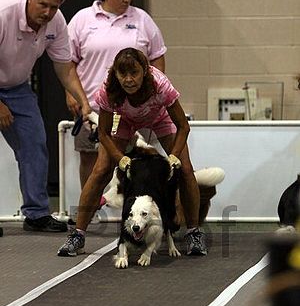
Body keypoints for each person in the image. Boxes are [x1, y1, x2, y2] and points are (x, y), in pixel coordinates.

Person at [58, 48, 207, 257]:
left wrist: (173, 155)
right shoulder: (108, 90)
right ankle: (77, 235)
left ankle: (194, 234)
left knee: (186, 170)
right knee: (101, 170)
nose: (128, 80)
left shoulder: (160, 85)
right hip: (124, 120)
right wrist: (120, 159)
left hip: (159, 118)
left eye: (134, 73)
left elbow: (183, 126)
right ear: (115, 74)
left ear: (144, 71)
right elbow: (103, 133)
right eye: (123, 74)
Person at [0, 0, 91, 232]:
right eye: (43, 5)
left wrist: (84, 101)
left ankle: (36, 214)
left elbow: (65, 67)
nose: (49, 12)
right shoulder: (3, 13)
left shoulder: (56, 22)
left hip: (17, 88)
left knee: (35, 144)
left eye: (55, 7)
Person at [65, 0, 167, 188]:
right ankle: (91, 207)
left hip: (136, 107)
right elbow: (67, 63)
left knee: (139, 158)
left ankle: (138, 208)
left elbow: (158, 57)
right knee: (92, 159)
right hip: (92, 106)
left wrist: (154, 91)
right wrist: (71, 94)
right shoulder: (82, 19)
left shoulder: (142, 19)